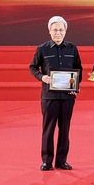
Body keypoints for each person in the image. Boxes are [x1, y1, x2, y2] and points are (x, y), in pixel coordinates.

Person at [29, 16, 83, 171]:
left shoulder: (72, 48)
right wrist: (42, 77)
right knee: (48, 128)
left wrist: (75, 85)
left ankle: (61, 160)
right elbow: (33, 67)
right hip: (49, 96)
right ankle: (47, 161)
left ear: (65, 31)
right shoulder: (42, 49)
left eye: (61, 30)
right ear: (49, 31)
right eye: (55, 30)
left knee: (64, 129)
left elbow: (78, 69)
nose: (58, 33)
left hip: (67, 97)